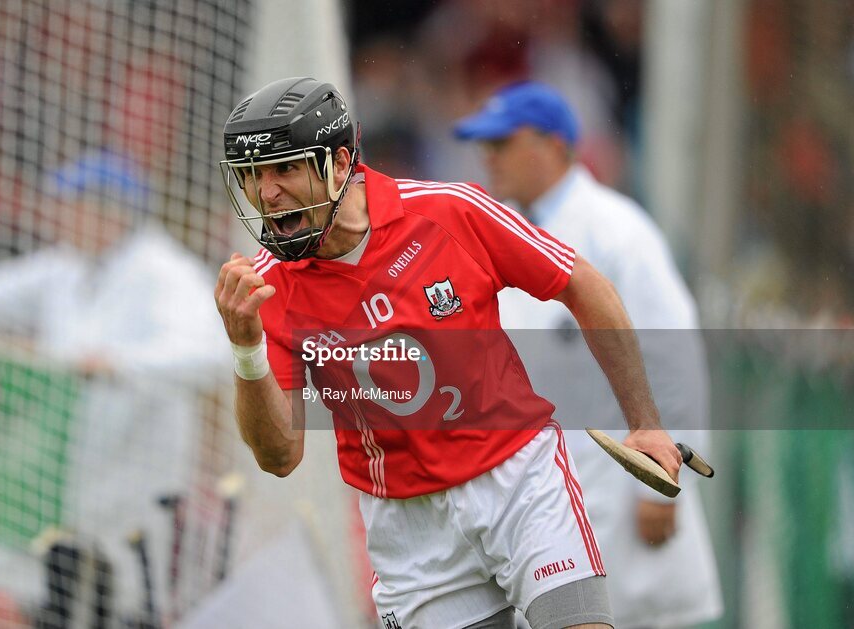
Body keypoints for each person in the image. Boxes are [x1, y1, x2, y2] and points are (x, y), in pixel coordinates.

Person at [214, 76, 683, 629]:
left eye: (285, 169)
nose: (266, 194)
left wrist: (645, 423)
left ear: (339, 163)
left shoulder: (449, 211)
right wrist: (247, 351)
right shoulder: (265, 290)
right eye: (253, 176)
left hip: (519, 482)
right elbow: (280, 456)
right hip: (409, 530)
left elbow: (582, 285)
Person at [454, 81, 723, 628]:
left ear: (553, 145)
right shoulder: (496, 228)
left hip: (622, 496)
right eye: (485, 145)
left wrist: (667, 490)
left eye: (503, 143)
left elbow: (675, 359)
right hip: (542, 500)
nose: (489, 158)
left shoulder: (618, 231)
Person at [0, 149, 226, 625]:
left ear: (108, 211)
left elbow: (213, 356)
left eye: (70, 203)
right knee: (19, 595)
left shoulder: (166, 274)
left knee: (122, 610)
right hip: (60, 485)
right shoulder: (65, 268)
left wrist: (122, 365)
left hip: (132, 496)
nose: (58, 214)